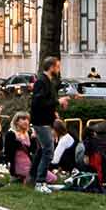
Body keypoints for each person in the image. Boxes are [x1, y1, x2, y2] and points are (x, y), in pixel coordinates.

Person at [28, 56, 69, 193]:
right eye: (57, 66)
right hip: (41, 122)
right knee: (48, 151)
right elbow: (38, 103)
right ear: (51, 67)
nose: (58, 69)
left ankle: (34, 177)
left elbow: (46, 102)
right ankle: (40, 182)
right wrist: (58, 102)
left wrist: (54, 111)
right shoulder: (42, 81)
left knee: (42, 150)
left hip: (46, 120)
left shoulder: (47, 81)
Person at [1, 112, 36, 183]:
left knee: (52, 177)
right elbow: (8, 153)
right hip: (17, 164)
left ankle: (24, 178)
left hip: (29, 163)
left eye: (27, 119)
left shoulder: (29, 133)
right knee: (41, 177)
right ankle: (18, 176)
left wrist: (33, 139)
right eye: (23, 119)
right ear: (16, 121)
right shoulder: (11, 134)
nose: (26, 121)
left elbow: (33, 150)